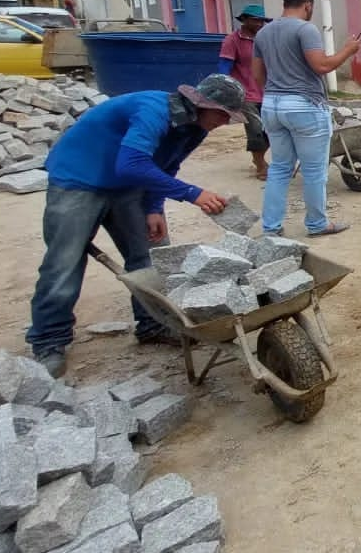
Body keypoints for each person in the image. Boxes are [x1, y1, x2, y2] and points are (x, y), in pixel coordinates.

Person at [27, 74, 244, 376]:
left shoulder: (195, 128)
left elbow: (167, 164)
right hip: (78, 179)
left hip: (126, 187)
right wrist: (192, 194)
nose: (225, 122)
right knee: (64, 262)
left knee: (152, 254)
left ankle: (152, 324)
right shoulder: (153, 111)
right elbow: (130, 164)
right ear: (201, 103)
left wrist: (154, 206)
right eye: (223, 114)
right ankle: (49, 340)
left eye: (230, 117)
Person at [251, 0, 361, 238]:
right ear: (307, 5)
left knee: (280, 168)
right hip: (304, 106)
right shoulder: (305, 29)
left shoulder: (263, 33)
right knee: (314, 170)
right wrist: (348, 50)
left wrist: (275, 92)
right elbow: (322, 65)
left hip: (272, 105)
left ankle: (271, 228)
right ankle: (317, 224)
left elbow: (257, 75)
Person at [219, 3, 271, 179]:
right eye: (255, 21)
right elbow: (224, 67)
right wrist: (226, 90)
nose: (258, 24)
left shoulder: (265, 39)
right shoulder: (232, 40)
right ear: (245, 20)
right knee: (255, 128)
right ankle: (260, 165)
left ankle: (260, 159)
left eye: (261, 21)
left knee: (271, 128)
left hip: (267, 91)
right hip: (245, 93)